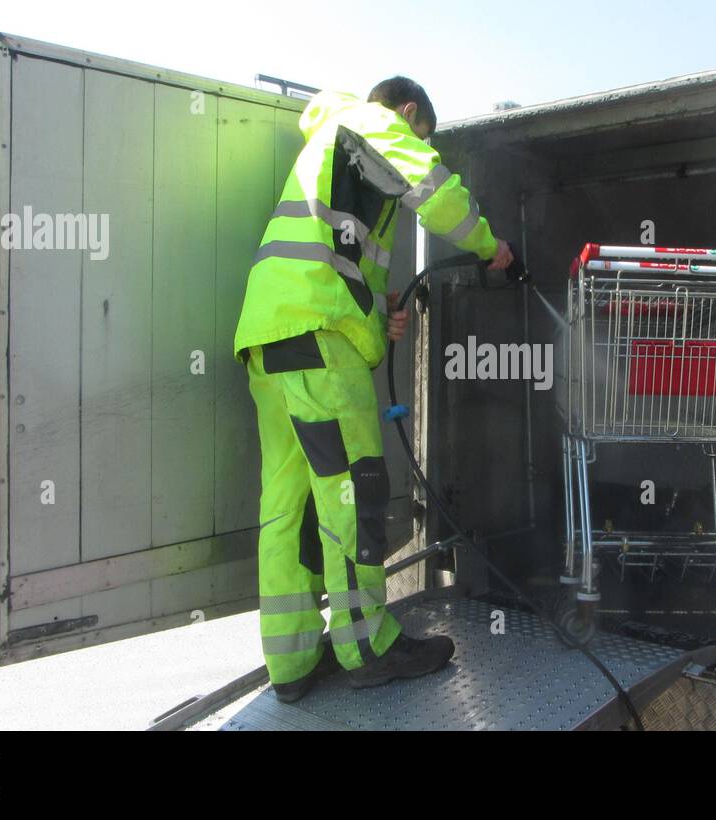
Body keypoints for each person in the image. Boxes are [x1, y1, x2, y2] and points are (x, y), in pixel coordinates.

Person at [233, 76, 513, 703]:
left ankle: (295, 661)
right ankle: (368, 645)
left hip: (271, 337)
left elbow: (339, 263)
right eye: (422, 134)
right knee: (354, 493)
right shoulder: (373, 122)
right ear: (409, 112)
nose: (417, 144)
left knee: (289, 507)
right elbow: (438, 193)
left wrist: (376, 312)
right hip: (318, 340)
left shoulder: (331, 148)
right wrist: (492, 248)